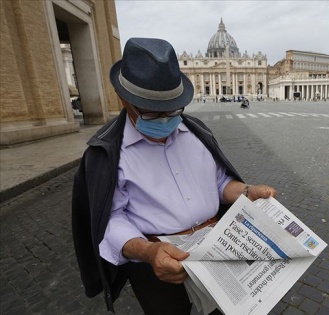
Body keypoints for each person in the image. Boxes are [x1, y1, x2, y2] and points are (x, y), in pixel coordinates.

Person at [71, 38, 276, 314]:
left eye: (174, 109)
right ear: (124, 99)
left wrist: (247, 191)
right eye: (154, 112)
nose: (167, 119)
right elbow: (111, 218)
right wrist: (148, 252)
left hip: (215, 249)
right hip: (155, 262)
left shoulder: (197, 132)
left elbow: (219, 182)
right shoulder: (105, 154)